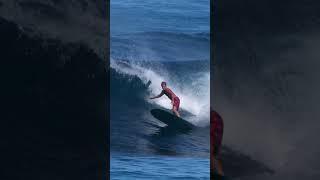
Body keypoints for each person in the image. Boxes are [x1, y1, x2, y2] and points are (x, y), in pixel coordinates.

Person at [211, 108, 224, 178]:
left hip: (214, 120)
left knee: (212, 152)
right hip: (216, 119)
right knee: (214, 154)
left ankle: (219, 174)